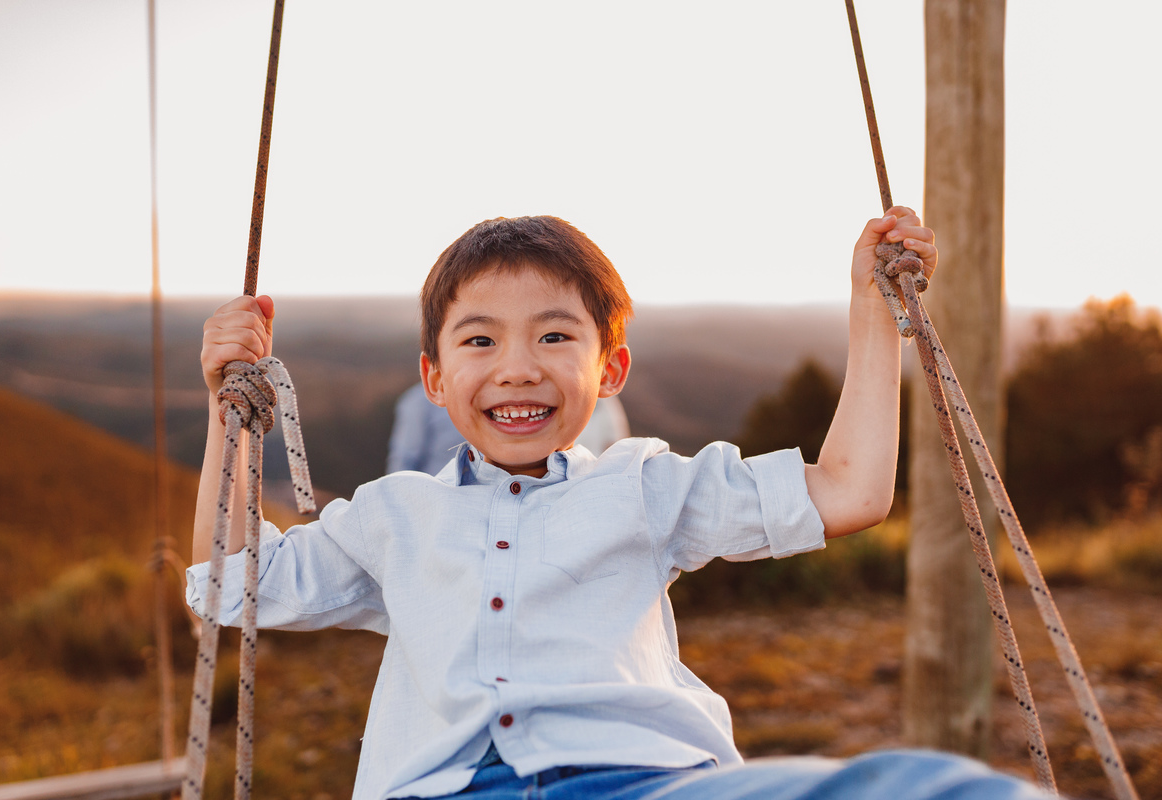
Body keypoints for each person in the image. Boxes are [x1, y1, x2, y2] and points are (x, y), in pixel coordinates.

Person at [189, 214, 1055, 800]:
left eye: (556, 336)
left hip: (644, 781)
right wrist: (226, 411)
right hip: (442, 787)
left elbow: (849, 489)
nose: (519, 366)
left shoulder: (645, 484)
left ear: (610, 372)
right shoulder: (391, 517)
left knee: (936, 789)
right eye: (480, 339)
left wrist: (873, 306)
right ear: (435, 379)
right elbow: (233, 582)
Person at [387, 383, 630, 475]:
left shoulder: (601, 402)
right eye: (480, 342)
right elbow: (405, 459)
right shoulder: (417, 402)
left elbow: (614, 445)